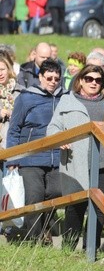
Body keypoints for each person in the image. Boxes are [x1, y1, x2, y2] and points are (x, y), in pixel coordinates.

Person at [47, 65, 104, 250]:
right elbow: (53, 128)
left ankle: (90, 249)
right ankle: (68, 250)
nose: (94, 83)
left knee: (101, 208)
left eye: (98, 80)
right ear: (81, 80)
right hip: (76, 162)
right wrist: (60, 140)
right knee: (75, 208)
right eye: (89, 79)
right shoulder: (67, 101)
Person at [6, 59, 64, 242]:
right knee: (34, 195)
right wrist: (13, 159)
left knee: (56, 192)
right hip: (30, 158)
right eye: (49, 78)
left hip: (57, 157)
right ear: (40, 77)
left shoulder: (65, 98)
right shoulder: (26, 98)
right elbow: (14, 129)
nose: (53, 82)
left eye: (56, 78)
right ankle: (34, 238)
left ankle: (45, 225)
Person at [0, 52, 18, 149]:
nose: (0, 73)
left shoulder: (19, 91)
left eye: (2, 69)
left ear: (9, 70)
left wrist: (13, 113)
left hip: (13, 143)